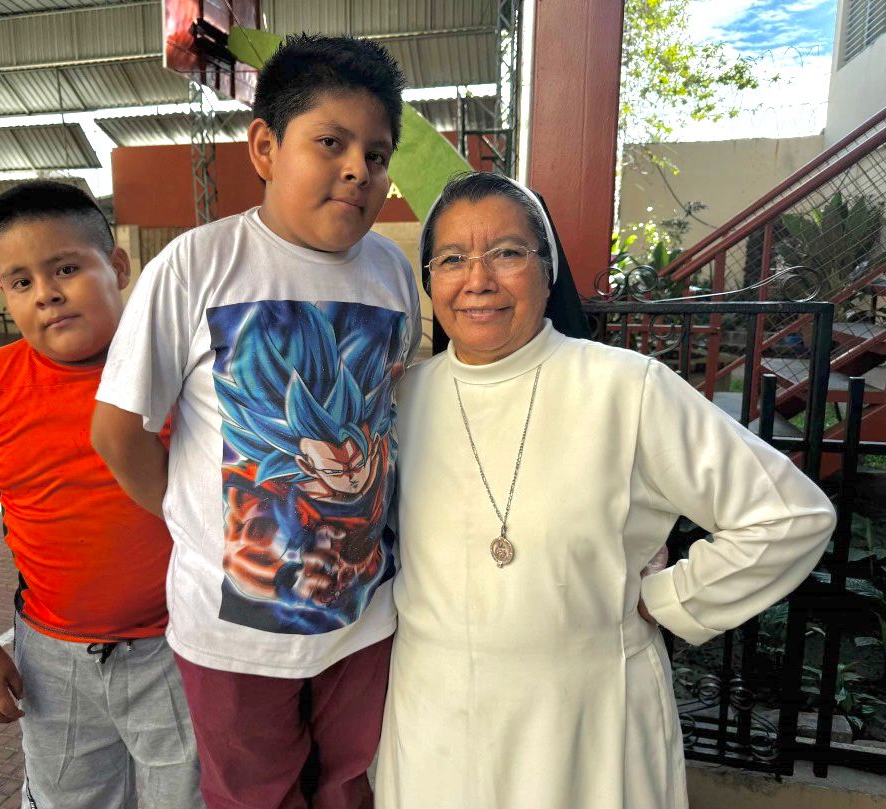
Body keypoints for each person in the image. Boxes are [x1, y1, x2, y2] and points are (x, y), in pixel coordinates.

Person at [374, 171, 837, 809]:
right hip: (433, 716)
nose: (477, 279)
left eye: (507, 253)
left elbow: (789, 515)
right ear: (430, 280)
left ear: (548, 268)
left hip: (589, 715)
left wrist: (672, 597)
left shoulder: (625, 387)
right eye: (452, 259)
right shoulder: (401, 399)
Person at [91, 35, 420, 809]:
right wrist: (192, 517)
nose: (357, 170)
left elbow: (391, 408)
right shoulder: (198, 264)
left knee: (352, 786)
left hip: (363, 619)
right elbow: (118, 430)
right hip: (232, 632)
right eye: (331, 142)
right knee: (253, 796)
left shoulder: (393, 273)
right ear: (266, 146)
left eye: (377, 155)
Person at [0, 180, 202, 809]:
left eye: (67, 269)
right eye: (21, 282)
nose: (46, 293)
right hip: (54, 658)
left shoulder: (180, 366)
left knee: (187, 798)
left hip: (178, 649)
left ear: (119, 267)